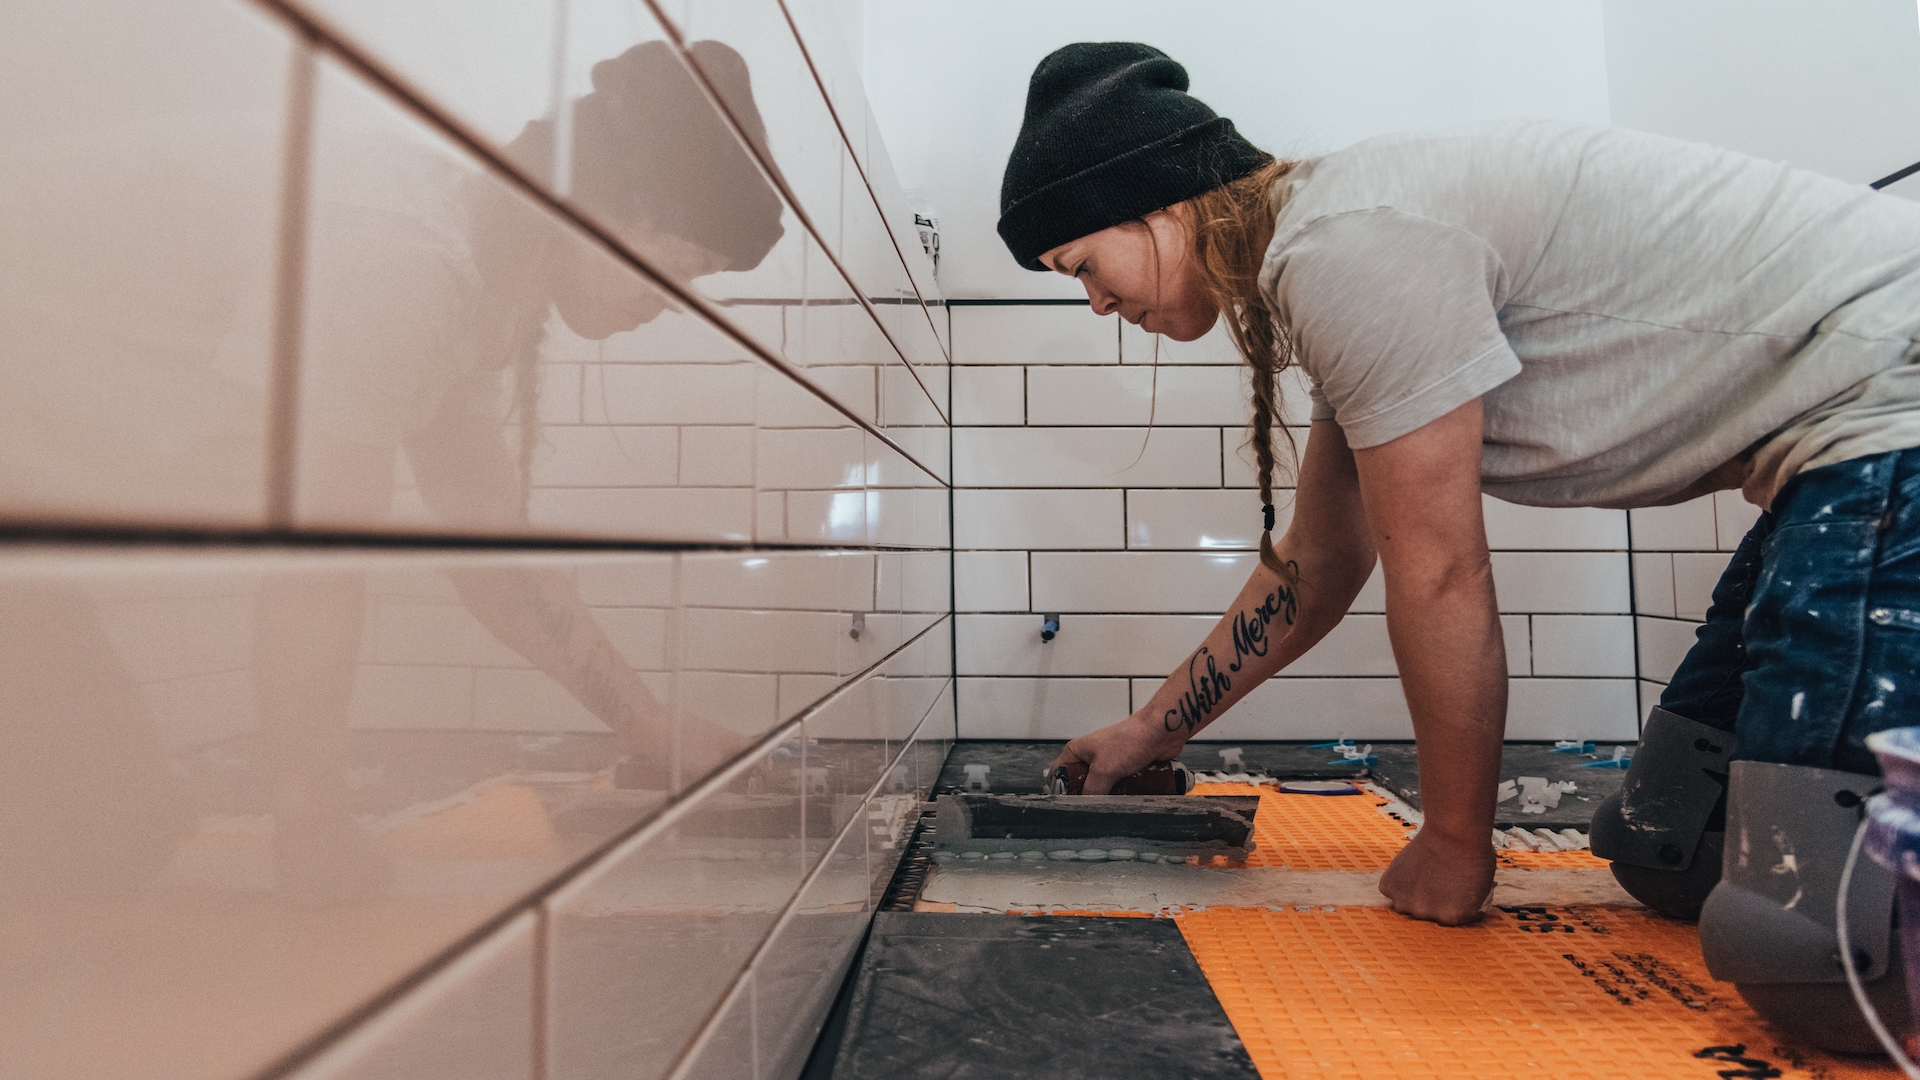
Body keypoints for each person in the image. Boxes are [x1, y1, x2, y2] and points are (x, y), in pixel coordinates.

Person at [999, 41, 1920, 1048]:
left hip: (1894, 413)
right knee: (1669, 849)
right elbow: (1317, 566)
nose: (1093, 302)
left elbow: (1439, 574)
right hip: (1843, 448)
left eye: (1081, 265)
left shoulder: (1347, 247)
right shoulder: (1331, 249)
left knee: (1829, 962)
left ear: (1161, 206)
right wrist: (1156, 728)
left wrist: (1453, 842)